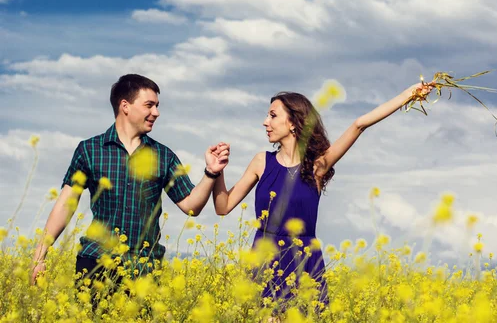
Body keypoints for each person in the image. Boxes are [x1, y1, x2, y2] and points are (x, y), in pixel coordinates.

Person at [211, 81, 433, 314]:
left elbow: (359, 125)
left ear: (293, 123)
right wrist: (218, 172)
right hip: (264, 259)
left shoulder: (317, 168)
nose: (265, 122)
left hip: (303, 262)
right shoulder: (261, 162)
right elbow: (223, 206)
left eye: (273, 116)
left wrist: (409, 95)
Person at [31, 74, 230, 289]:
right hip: (95, 262)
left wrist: (211, 172)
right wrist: (39, 257)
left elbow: (192, 206)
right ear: (125, 106)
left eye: (157, 106)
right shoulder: (89, 150)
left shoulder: (164, 156)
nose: (156, 112)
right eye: (149, 105)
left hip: (144, 268)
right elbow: (65, 205)